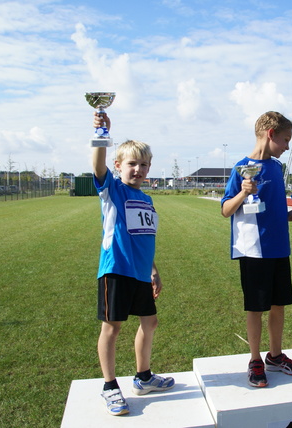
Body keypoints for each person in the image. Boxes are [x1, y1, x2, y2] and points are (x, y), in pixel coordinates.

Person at [92, 114, 174, 416]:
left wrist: (153, 270)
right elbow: (96, 166)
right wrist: (101, 133)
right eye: (131, 164)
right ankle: (110, 386)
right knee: (112, 327)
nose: (138, 169)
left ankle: (143, 377)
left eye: (143, 165)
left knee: (149, 322)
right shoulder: (112, 190)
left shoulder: (148, 200)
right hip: (116, 270)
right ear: (118, 167)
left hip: (141, 273)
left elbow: (143, 239)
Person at [221, 111, 292, 388]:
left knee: (278, 305)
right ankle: (255, 359)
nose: (287, 146)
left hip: (279, 247)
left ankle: (276, 355)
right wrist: (243, 193)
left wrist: (288, 215)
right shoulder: (241, 168)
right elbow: (225, 210)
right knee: (256, 308)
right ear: (271, 135)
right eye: (285, 140)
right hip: (253, 250)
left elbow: (270, 207)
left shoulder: (276, 169)